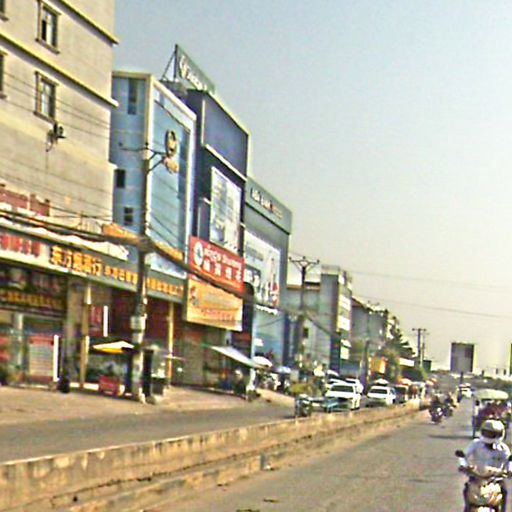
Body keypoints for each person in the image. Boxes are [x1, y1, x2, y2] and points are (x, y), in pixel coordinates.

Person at [459, 419, 511, 512]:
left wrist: (509, 470)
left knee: (504, 491)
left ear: (499, 434)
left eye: (492, 433)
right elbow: (464, 455)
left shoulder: (503, 448)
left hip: (495, 479)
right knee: (467, 491)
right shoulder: (476, 444)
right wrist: (464, 465)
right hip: (477, 478)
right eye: (487, 433)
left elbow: (508, 460)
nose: (489, 435)